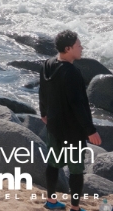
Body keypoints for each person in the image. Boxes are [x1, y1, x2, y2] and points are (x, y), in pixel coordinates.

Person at [39, 29, 102, 211]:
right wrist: (90, 130)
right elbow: (77, 104)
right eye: (78, 45)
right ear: (68, 48)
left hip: (54, 127)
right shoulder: (72, 72)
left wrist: (43, 112)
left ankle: (51, 202)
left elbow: (42, 91)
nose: (81, 48)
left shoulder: (48, 64)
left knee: (53, 164)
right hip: (72, 131)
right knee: (76, 170)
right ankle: (75, 208)